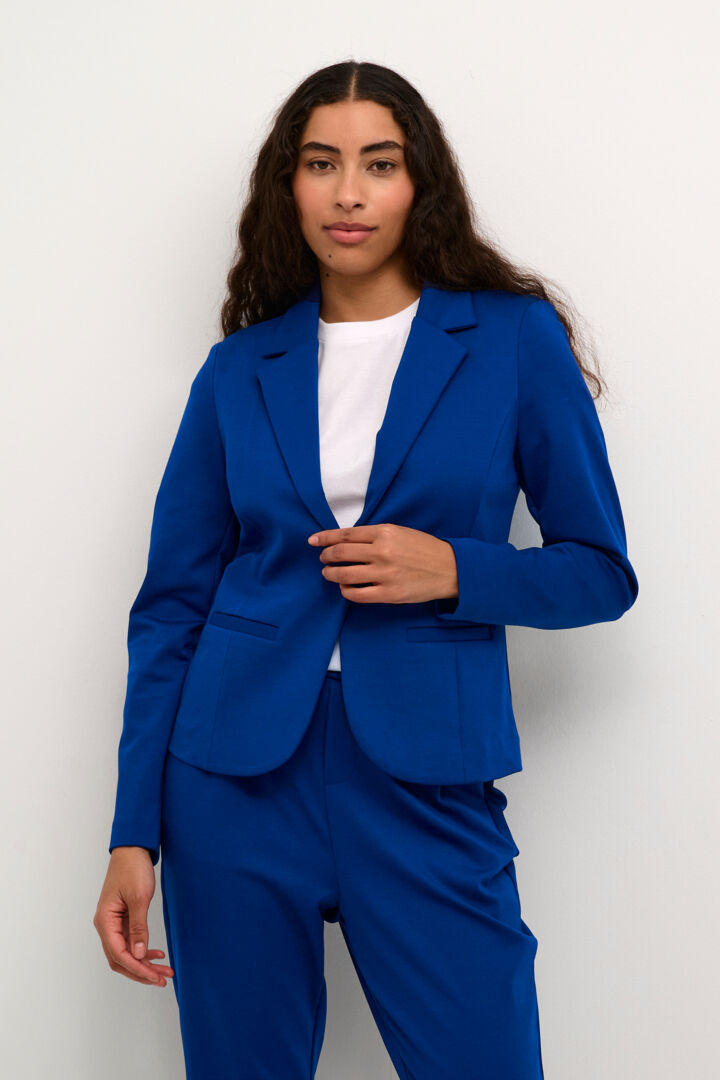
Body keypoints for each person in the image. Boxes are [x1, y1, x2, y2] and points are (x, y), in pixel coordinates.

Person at [94, 59, 638, 1078]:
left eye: (379, 164)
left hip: (427, 776)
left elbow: (600, 571)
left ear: (419, 182)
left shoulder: (511, 339)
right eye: (322, 163)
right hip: (232, 781)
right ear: (288, 185)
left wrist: (455, 569)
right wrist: (135, 833)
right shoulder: (240, 367)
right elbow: (170, 609)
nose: (349, 193)